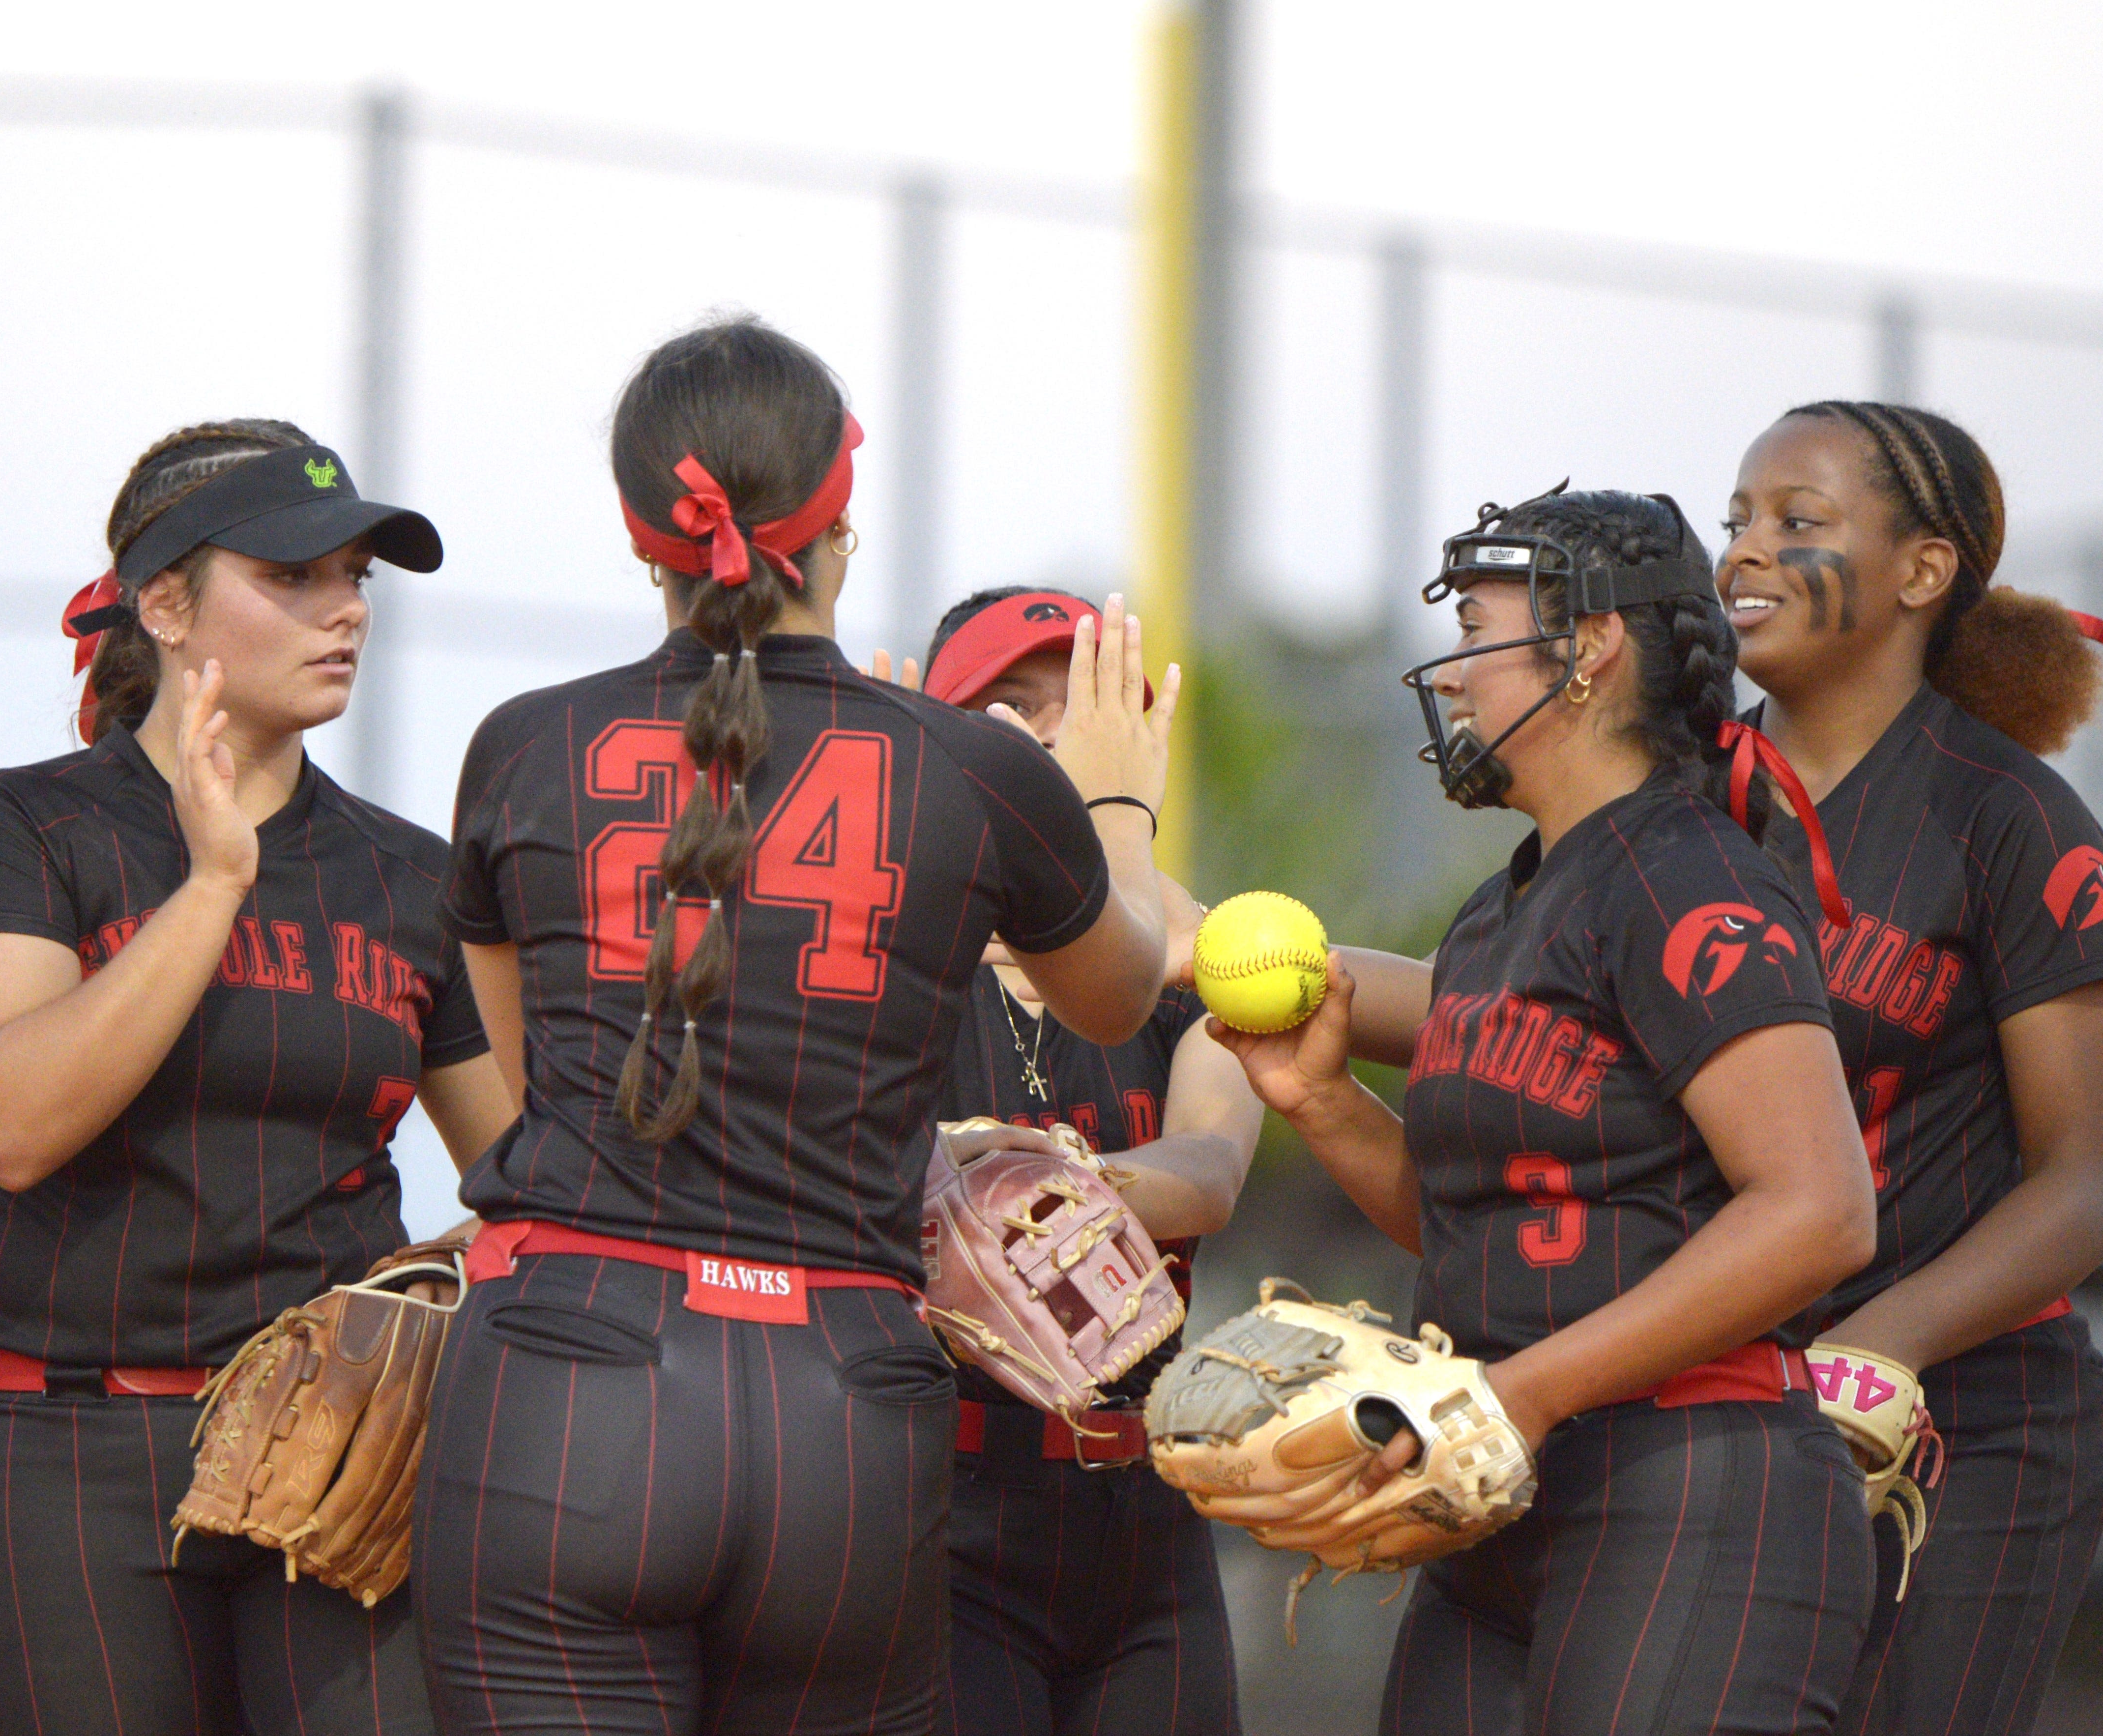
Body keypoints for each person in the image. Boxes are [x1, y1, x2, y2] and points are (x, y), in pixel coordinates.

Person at [410, 318, 1177, 1736]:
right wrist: (1114, 806)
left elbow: (519, 1093)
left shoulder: (519, 744)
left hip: (573, 1378)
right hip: (842, 1395)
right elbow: (1118, 997)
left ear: (644, 538)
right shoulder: (980, 765)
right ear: (841, 514)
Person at [1215, 488, 1880, 1735]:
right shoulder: (1503, 907)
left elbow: (1823, 1209)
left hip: (1693, 1487)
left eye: (1477, 626)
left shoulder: (1689, 874)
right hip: (1507, 1491)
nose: (1455, 672)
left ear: (1588, 649)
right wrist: (1323, 1102)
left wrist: (1525, 1392)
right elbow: (1492, 1221)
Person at [0, 419, 516, 1736]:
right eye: (290, 576)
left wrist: (422, 1296)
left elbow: (524, 1184)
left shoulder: (409, 876)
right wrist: (217, 880)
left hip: (335, 1441)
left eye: (353, 575)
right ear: (165, 603)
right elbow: (13, 1119)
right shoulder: (23, 826)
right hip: (74, 1453)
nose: (342, 608)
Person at [1719, 401, 2103, 1736]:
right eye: (1734, 521)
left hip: (1968, 1421)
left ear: (1919, 571)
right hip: (1728, 1403)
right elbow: (1523, 1015)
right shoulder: (1679, 803)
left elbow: (2079, 1184)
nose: (1742, 552)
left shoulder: (2009, 817)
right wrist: (1243, 960)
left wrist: (1859, 1350)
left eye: (1796, 522)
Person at [918, 587, 1263, 1736]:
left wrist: (1036, 1184)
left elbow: (1211, 1166)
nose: (1057, 743)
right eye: (1013, 715)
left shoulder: (1184, 963)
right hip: (947, 1513)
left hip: (1143, 1521)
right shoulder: (903, 968)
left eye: (1088, 712)